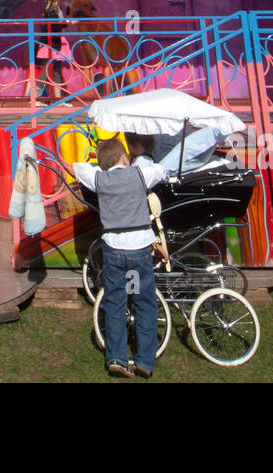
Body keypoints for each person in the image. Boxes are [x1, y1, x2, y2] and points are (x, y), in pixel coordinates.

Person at [64, 137, 168, 378]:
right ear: (125, 158)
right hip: (138, 251)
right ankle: (144, 361)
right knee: (143, 303)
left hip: (114, 250)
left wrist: (96, 165)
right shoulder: (140, 175)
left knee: (116, 302)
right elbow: (161, 170)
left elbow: (79, 169)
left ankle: (117, 358)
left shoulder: (99, 179)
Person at [38, 0, 68, 101]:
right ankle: (34, 97)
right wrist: (67, 23)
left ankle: (58, 99)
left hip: (57, 41)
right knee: (47, 69)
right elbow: (53, 25)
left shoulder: (57, 7)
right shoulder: (50, 9)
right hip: (52, 42)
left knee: (56, 70)